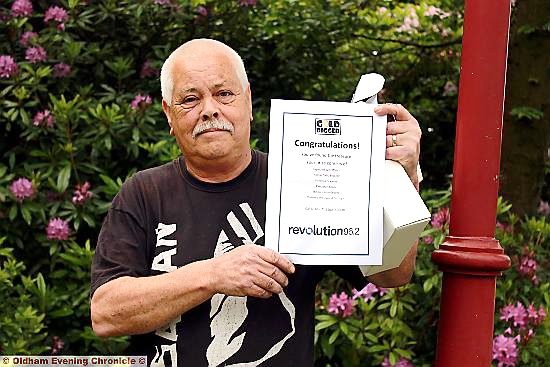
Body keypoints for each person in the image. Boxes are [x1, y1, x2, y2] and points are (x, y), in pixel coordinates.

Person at [90, 38, 422, 367]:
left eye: (224, 94)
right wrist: (213, 274)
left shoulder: (304, 179)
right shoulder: (144, 193)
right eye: (190, 99)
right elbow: (106, 315)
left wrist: (403, 175)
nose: (209, 110)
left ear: (248, 102)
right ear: (168, 113)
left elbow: (392, 274)